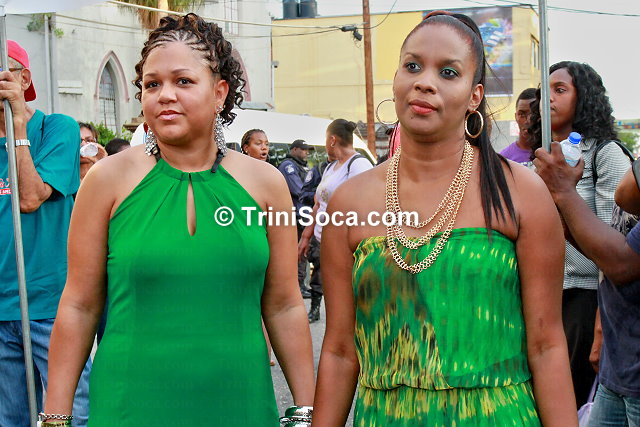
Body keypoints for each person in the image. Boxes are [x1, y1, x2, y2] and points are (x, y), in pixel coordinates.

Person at [43, 14, 314, 426]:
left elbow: (284, 305)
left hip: (240, 405)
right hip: (128, 408)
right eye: (152, 84)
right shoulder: (105, 180)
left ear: (220, 92)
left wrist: (305, 411)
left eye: (183, 81)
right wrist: (55, 418)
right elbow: (79, 306)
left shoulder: (266, 184)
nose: (165, 95)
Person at [312, 11, 577, 426]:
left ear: (474, 96)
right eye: (412, 66)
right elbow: (340, 351)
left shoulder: (521, 192)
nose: (425, 82)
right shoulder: (350, 201)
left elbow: (546, 346)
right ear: (396, 79)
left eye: (448, 72)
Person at [528, 60, 632, 407]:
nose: (549, 99)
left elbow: (615, 245)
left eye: (560, 90)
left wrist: (601, 323)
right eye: (544, 91)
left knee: (573, 401)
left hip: (588, 299)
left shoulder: (605, 153)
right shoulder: (536, 159)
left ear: (583, 97)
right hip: (544, 294)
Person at [0, 40, 90, 427]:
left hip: (51, 306)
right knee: (11, 418)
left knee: (71, 416)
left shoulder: (57, 128)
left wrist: (17, 126)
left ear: (23, 79)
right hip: (1, 310)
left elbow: (31, 197)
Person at [534, 146, 640, 426]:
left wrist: (564, 191)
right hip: (618, 369)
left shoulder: (610, 155)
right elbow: (605, 252)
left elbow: (623, 264)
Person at [298, 119, 372, 323]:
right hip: (323, 241)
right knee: (326, 286)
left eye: (325, 140)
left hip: (344, 244)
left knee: (344, 295)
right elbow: (318, 204)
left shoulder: (359, 166)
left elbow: (366, 209)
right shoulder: (331, 167)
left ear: (332, 140)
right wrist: (306, 236)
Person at [240, 128, 276, 366]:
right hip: (246, 244)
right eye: (258, 143)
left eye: (266, 144)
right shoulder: (235, 175)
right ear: (246, 148)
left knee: (269, 299)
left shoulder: (272, 175)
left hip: (268, 240)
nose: (264, 148)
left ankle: (266, 354)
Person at [278, 139, 313, 299]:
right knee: (297, 252)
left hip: (304, 214)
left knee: (303, 251)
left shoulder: (302, 166)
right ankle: (297, 286)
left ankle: (301, 285)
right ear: (294, 149)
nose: (306, 152)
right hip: (295, 215)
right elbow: (299, 190)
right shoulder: (288, 166)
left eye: (307, 150)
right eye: (303, 149)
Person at [500, 87, 536, 165]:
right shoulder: (504, 159)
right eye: (522, 114)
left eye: (533, 114)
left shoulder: (553, 152)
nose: (528, 120)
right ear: (515, 117)